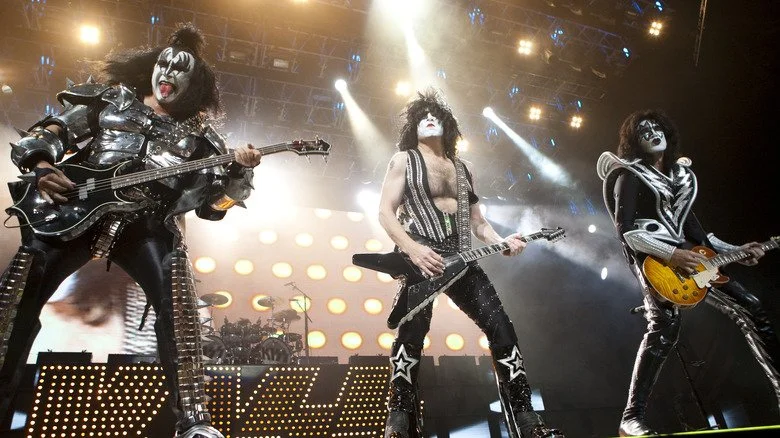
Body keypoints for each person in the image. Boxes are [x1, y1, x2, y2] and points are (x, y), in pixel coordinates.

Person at [0, 23, 261, 438]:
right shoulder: (111, 100)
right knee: (15, 300)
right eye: (164, 65)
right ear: (151, 67)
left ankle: (194, 420)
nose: (168, 75)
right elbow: (50, 132)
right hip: (75, 209)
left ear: (195, 84)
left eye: (180, 71)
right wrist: (44, 167)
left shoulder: (202, 139)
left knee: (180, 305)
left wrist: (236, 178)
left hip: (147, 223)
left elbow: (214, 209)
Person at [376, 90, 563, 438]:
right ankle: (398, 420)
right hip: (422, 258)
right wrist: (413, 251)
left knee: (502, 329)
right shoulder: (403, 160)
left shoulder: (465, 169)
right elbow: (385, 212)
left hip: (462, 259)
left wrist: (500, 242)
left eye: (435, 114)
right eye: (421, 116)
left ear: (447, 124)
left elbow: (478, 223)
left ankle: (526, 419)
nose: (428, 118)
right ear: (412, 128)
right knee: (411, 334)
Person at [597, 109, 780, 436]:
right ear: (634, 142)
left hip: (696, 261)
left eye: (657, 126)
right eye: (644, 130)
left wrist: (739, 251)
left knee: (750, 306)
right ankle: (630, 418)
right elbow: (626, 231)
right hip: (658, 264)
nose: (653, 132)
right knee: (664, 331)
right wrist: (673, 254)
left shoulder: (676, 181)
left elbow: (703, 238)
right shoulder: (628, 175)